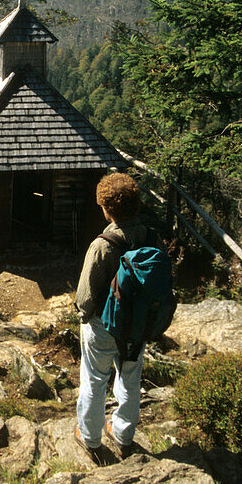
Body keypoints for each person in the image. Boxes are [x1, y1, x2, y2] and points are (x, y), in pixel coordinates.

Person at [74, 172, 156, 460]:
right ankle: (123, 436)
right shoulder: (150, 236)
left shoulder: (102, 244)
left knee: (94, 380)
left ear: (107, 209)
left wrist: (84, 317)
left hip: (103, 326)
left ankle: (91, 439)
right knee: (131, 379)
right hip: (138, 325)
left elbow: (84, 297)